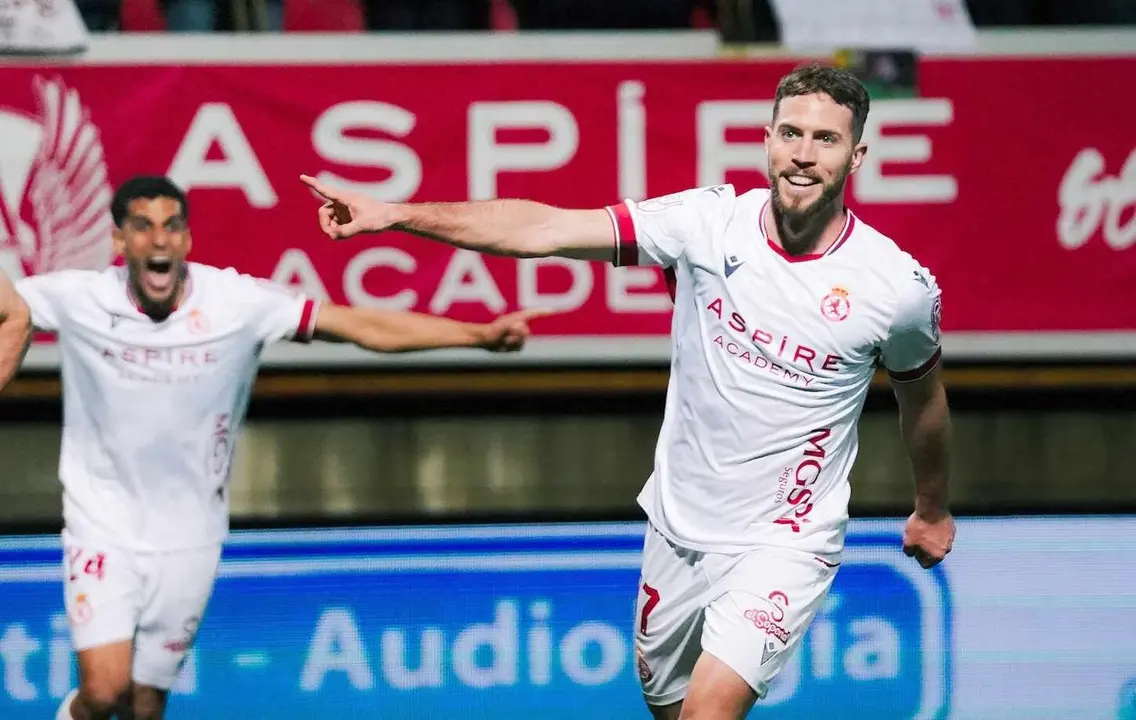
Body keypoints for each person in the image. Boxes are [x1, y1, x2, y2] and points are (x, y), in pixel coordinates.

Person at [300, 62, 956, 719]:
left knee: (707, 713)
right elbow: (544, 228)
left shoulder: (895, 288)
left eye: (826, 140)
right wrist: (396, 213)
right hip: (679, 524)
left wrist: (930, 507)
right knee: (666, 705)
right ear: (766, 139)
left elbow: (922, 405)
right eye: (791, 134)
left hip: (787, 538)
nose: (804, 155)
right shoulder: (705, 224)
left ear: (857, 155)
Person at [0, 174, 541, 720]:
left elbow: (359, 325)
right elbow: (9, 307)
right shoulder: (77, 298)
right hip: (102, 528)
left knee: (144, 704)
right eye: (142, 227)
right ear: (119, 242)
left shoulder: (238, 303)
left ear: (187, 239)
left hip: (192, 537)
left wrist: (477, 336)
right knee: (104, 691)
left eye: (172, 226)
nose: (158, 240)